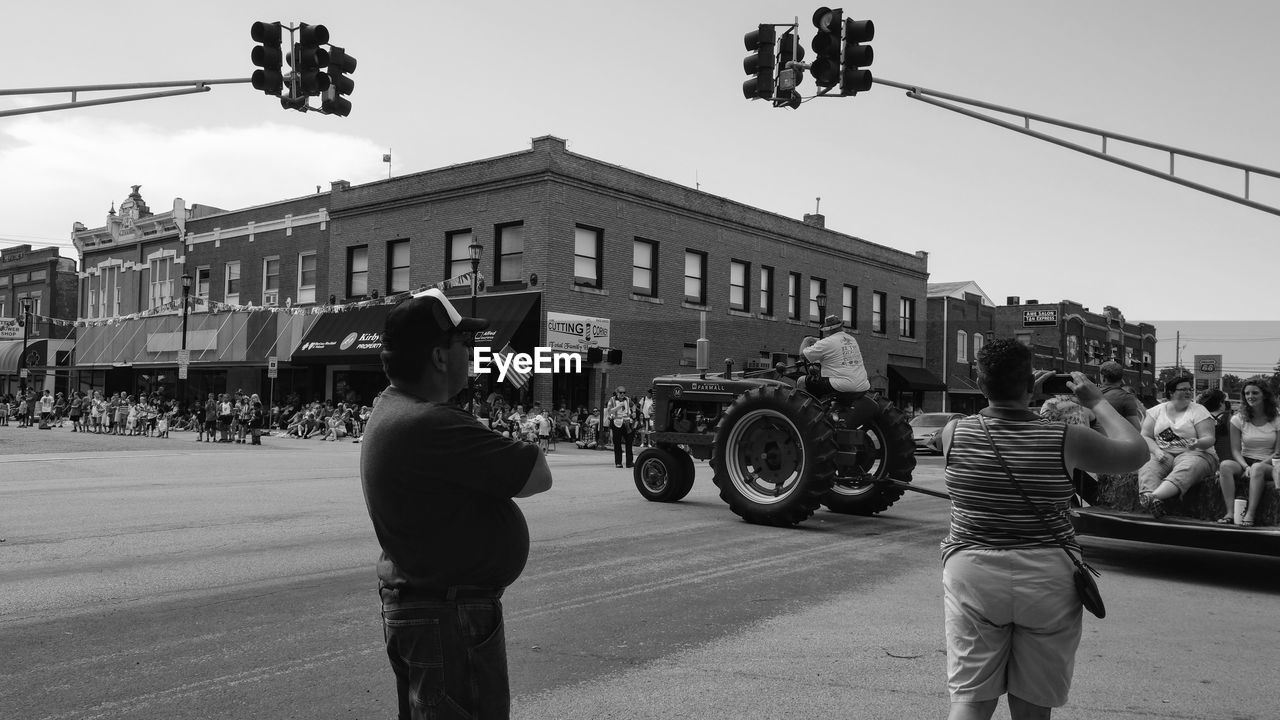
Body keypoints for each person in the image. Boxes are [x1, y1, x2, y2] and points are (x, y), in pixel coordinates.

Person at [360, 288, 552, 720]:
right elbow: (538, 473)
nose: (472, 353)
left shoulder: (396, 409)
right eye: (464, 344)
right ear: (440, 357)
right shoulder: (431, 422)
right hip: (447, 616)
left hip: (428, 607)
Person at [938, 338, 1146, 720]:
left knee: (971, 698)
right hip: (1048, 575)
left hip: (973, 570)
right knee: (1033, 705)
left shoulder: (954, 433)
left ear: (981, 384)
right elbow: (1136, 452)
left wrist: (1017, 394)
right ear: (1029, 382)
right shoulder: (1065, 438)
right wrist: (1096, 400)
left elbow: (998, 415)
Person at [1137, 375, 1218, 519]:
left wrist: (1198, 443)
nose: (1188, 392)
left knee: (1188, 467)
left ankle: (1151, 498)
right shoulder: (1156, 411)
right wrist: (1156, 451)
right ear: (1171, 392)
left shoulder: (1199, 410)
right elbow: (1145, 436)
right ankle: (1152, 498)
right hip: (1163, 453)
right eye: (1183, 389)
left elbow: (1209, 439)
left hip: (1197, 453)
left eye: (1189, 389)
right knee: (1148, 465)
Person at [1216, 381, 1280, 527]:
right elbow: (1235, 450)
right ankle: (1230, 513)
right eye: (1247, 393)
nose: (1250, 396)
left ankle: (1250, 513)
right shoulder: (1238, 419)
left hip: (1269, 463)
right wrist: (1245, 466)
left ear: (1264, 395)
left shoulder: (1277, 418)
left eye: (1255, 393)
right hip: (1245, 461)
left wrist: (1258, 465)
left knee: (1257, 468)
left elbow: (1278, 452)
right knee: (1225, 465)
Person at [798, 314, 877, 428]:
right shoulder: (851, 339)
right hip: (862, 386)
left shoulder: (826, 342)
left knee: (801, 381)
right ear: (840, 326)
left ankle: (807, 418)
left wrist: (807, 340)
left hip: (842, 385)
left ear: (827, 329)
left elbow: (802, 355)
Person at [1097, 361, 1144, 431]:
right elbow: (1136, 428)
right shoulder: (1127, 398)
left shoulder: (1088, 394)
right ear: (1121, 378)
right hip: (1115, 439)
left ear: (1103, 377)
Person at [605, 386, 635, 468]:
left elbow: (633, 406)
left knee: (629, 443)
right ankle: (618, 463)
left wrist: (634, 412)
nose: (622, 394)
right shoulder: (612, 400)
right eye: (621, 392)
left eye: (624, 392)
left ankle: (629, 462)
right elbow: (609, 411)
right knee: (617, 443)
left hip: (627, 423)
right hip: (617, 423)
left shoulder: (628, 399)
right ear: (617, 393)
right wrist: (619, 406)